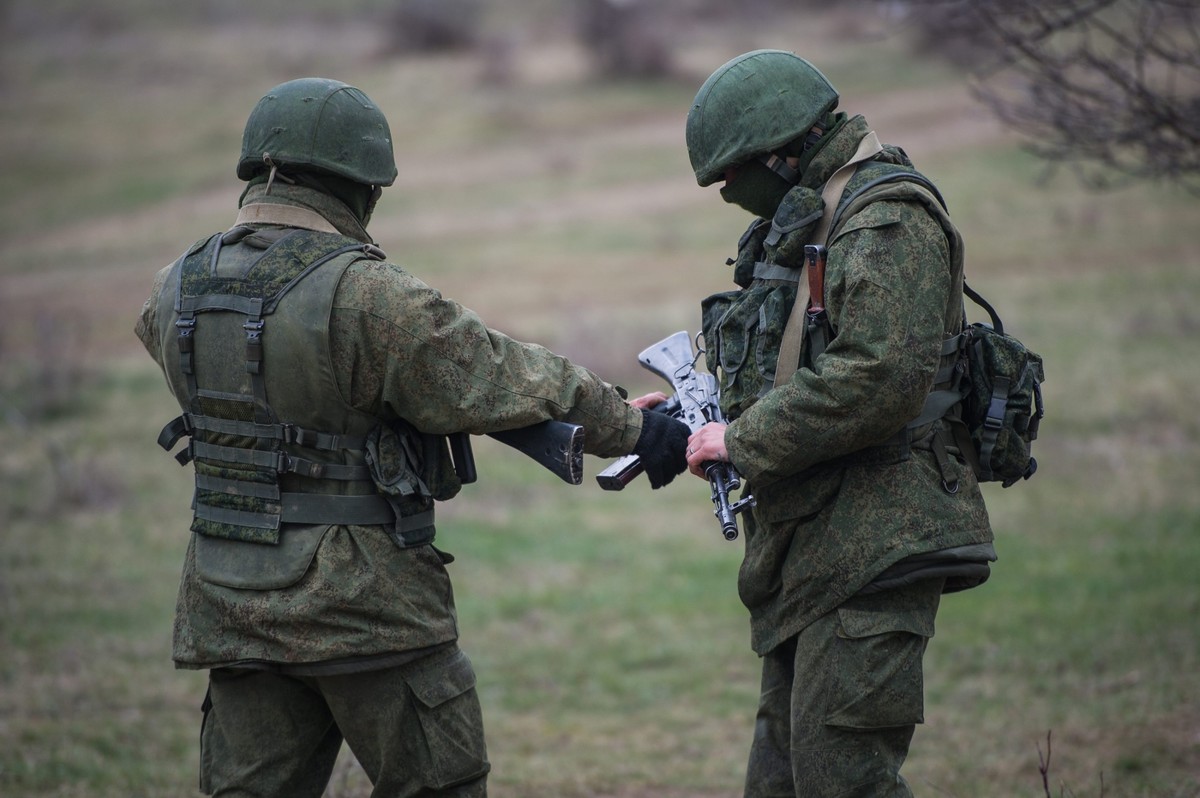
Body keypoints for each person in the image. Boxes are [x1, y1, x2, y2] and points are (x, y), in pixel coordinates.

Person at [134, 77, 689, 798]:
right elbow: (498, 373)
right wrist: (635, 428)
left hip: (231, 598)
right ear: (360, 184)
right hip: (364, 608)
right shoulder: (369, 294)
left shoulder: (174, 285)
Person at [679, 50, 997, 797]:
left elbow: (878, 377)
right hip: (817, 547)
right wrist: (699, 411)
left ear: (782, 149)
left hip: (878, 540)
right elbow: (790, 358)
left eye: (733, 172)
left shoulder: (886, 219)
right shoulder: (809, 216)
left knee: (843, 783)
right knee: (782, 783)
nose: (727, 192)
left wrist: (744, 440)